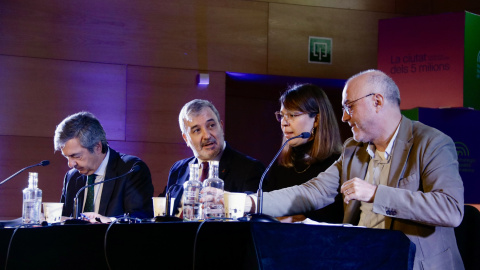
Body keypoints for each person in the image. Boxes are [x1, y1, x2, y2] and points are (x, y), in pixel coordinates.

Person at [246, 70, 464, 269]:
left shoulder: (431, 143)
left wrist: (375, 194)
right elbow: (313, 191)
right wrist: (249, 203)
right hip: (362, 261)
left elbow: (451, 209)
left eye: (349, 106)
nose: (344, 117)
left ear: (377, 101)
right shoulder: (353, 149)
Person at [165, 99, 265, 216]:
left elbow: (252, 221)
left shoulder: (250, 169)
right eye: (197, 130)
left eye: (211, 125)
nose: (207, 135)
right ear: (186, 138)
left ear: (221, 127)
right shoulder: (178, 169)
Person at [263, 83, 343, 223]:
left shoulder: (339, 164)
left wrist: (305, 221)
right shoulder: (280, 165)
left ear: (317, 119)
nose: (284, 123)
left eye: (292, 115)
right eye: (282, 115)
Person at [55, 111, 154, 223]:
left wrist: (108, 221)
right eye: (67, 157)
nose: (70, 164)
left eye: (76, 156)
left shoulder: (131, 169)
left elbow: (141, 217)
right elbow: (65, 219)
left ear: (97, 147)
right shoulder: (72, 177)